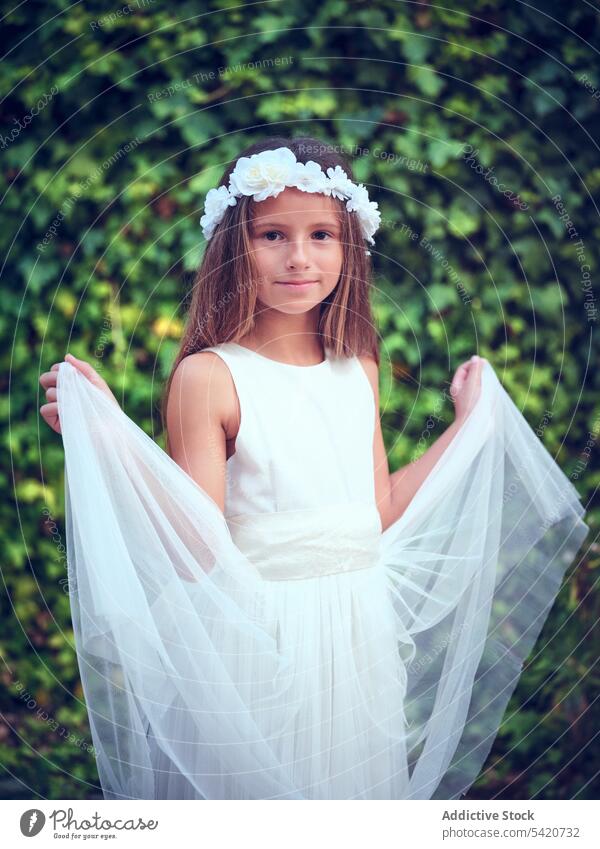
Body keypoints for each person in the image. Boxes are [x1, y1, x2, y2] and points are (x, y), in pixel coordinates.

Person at [39, 138, 589, 800]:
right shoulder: (209, 376)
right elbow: (194, 548)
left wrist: (468, 428)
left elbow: (377, 511)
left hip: (355, 643)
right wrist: (113, 440)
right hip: (263, 647)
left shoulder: (356, 366)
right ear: (234, 248)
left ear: (349, 247)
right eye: (273, 233)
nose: (299, 256)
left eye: (322, 234)